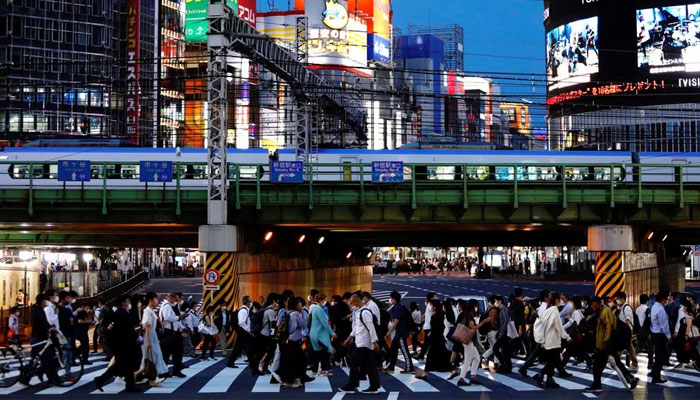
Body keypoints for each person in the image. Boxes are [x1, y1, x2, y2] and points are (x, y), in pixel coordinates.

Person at [585, 296, 639, 393]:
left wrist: (605, 342)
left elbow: (609, 328)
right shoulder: (601, 312)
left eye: (593, 304)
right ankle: (631, 379)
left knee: (598, 366)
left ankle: (597, 385)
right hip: (608, 344)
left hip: (607, 344)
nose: (592, 307)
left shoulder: (605, 312)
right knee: (616, 363)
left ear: (598, 303)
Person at [94, 295, 142, 393]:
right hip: (123, 344)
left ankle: (130, 385)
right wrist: (135, 335)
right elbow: (125, 330)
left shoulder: (121, 313)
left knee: (125, 365)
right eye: (126, 301)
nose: (128, 303)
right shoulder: (121, 314)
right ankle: (101, 379)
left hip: (122, 344)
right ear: (123, 303)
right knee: (123, 365)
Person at [339, 294, 381, 394]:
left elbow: (371, 328)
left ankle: (352, 384)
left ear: (357, 301)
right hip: (361, 342)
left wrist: (374, 342)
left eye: (352, 303)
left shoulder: (365, 312)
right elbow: (357, 328)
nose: (351, 305)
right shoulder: (359, 312)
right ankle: (374, 385)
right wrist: (349, 337)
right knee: (370, 365)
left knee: (353, 362)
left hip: (364, 343)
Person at [533, 293, 571, 389]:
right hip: (553, 340)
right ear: (557, 300)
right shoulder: (555, 311)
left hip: (546, 339)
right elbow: (558, 327)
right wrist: (567, 337)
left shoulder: (548, 310)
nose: (561, 302)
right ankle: (540, 375)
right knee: (553, 362)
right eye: (560, 300)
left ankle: (549, 380)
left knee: (553, 361)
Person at [449, 299, 489, 386]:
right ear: (473, 306)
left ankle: (473, 377)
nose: (477, 308)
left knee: (477, 358)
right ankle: (461, 379)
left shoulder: (468, 315)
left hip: (470, 342)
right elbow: (473, 328)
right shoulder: (469, 316)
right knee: (467, 361)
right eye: (476, 306)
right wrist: (483, 322)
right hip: (468, 341)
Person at [415, 299, 452, 380]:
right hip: (438, 338)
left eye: (431, 305)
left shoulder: (436, 315)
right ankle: (452, 371)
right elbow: (439, 326)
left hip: (436, 339)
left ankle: (425, 374)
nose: (430, 307)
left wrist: (431, 332)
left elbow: (437, 327)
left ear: (435, 306)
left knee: (431, 355)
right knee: (443, 355)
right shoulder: (440, 314)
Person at [278, 297, 309, 388]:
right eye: (299, 303)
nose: (301, 305)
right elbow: (303, 324)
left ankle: (290, 380)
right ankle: (295, 380)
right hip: (296, 340)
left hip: (288, 340)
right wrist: (302, 314)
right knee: (299, 361)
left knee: (290, 361)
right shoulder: (296, 314)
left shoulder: (288, 312)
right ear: (296, 304)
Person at [139, 292, 168, 387]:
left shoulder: (150, 311)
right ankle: (152, 379)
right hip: (150, 335)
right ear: (151, 300)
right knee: (152, 357)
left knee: (151, 358)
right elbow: (147, 326)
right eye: (155, 299)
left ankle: (150, 378)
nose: (157, 301)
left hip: (152, 335)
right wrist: (148, 341)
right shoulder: (147, 311)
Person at [385, 291, 413, 373]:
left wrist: (389, 332)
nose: (390, 300)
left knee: (404, 350)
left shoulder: (397, 308)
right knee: (393, 349)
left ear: (394, 299)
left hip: (401, 333)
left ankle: (409, 368)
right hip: (399, 333)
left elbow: (396, 321)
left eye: (391, 298)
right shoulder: (399, 306)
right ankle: (391, 367)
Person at [159, 293, 186, 378]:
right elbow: (167, 318)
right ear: (171, 298)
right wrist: (179, 317)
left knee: (176, 352)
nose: (176, 302)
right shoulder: (167, 306)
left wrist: (182, 327)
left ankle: (174, 370)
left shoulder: (170, 306)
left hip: (173, 332)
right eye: (175, 300)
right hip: (169, 332)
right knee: (168, 353)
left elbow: (175, 321)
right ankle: (165, 371)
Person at [309, 293, 335, 376]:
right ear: (321, 300)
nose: (325, 301)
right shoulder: (319, 309)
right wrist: (332, 332)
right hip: (319, 335)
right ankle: (324, 370)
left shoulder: (315, 309)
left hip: (314, 334)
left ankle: (315, 370)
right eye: (324, 300)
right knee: (324, 352)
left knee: (317, 352)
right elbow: (324, 323)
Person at [650, 290, 673, 383]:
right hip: (660, 335)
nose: (666, 301)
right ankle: (656, 376)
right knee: (662, 356)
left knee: (659, 355)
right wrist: (668, 336)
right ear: (663, 299)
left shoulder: (654, 307)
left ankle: (654, 372)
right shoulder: (660, 309)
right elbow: (664, 325)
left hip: (654, 333)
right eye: (666, 299)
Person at [673, 298, 700, 370]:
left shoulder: (688, 315)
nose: (683, 308)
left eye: (684, 307)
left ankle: (685, 363)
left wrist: (686, 335)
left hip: (685, 334)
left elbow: (689, 325)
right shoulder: (688, 314)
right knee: (688, 349)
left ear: (687, 307)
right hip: (684, 333)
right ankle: (687, 362)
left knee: (687, 349)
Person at [615, 292, 638, 369]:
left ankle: (615, 361)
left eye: (618, 299)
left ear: (623, 299)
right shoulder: (622, 308)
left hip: (625, 331)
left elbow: (627, 320)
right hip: (625, 331)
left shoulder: (626, 308)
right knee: (629, 347)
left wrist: (627, 332)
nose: (617, 300)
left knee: (620, 346)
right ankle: (634, 363)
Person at [228, 296, 253, 369]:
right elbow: (242, 322)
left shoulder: (246, 310)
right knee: (247, 347)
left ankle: (230, 362)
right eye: (250, 301)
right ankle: (253, 364)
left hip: (243, 330)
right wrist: (248, 330)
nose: (251, 303)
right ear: (246, 302)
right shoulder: (243, 310)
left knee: (238, 347)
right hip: (243, 330)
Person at [492, 295, 512, 373]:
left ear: (500, 301)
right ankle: (507, 366)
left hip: (504, 334)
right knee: (506, 351)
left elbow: (505, 323)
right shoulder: (502, 309)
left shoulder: (504, 309)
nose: (495, 303)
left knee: (495, 348)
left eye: (496, 301)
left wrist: (500, 333)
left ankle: (504, 363)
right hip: (504, 333)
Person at [416, 292, 437, 360]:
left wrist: (423, 316)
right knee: (428, 343)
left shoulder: (428, 304)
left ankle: (421, 355)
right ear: (432, 298)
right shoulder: (431, 305)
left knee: (427, 343)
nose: (437, 297)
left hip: (427, 326)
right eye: (435, 296)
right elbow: (434, 310)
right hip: (429, 327)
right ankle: (422, 355)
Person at [482, 296, 501, 368]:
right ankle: (496, 363)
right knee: (496, 348)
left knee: (493, 347)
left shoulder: (489, 309)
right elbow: (492, 321)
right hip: (493, 331)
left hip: (489, 331)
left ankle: (483, 357)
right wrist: (495, 327)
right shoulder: (494, 311)